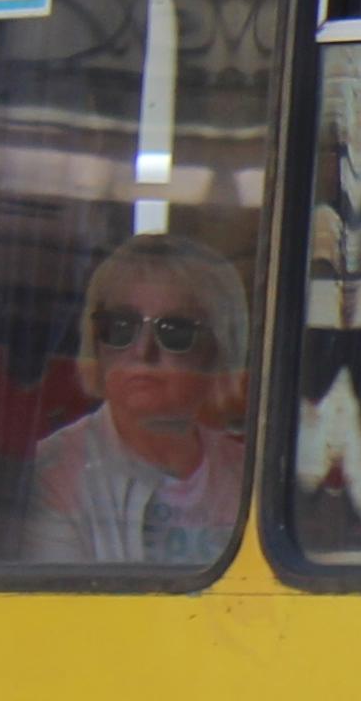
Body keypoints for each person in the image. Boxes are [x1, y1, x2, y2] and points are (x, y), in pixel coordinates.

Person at [24, 234, 252, 565]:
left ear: (218, 350)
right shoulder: (55, 470)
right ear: (96, 343)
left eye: (175, 330)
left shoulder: (247, 474)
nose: (143, 351)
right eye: (120, 326)